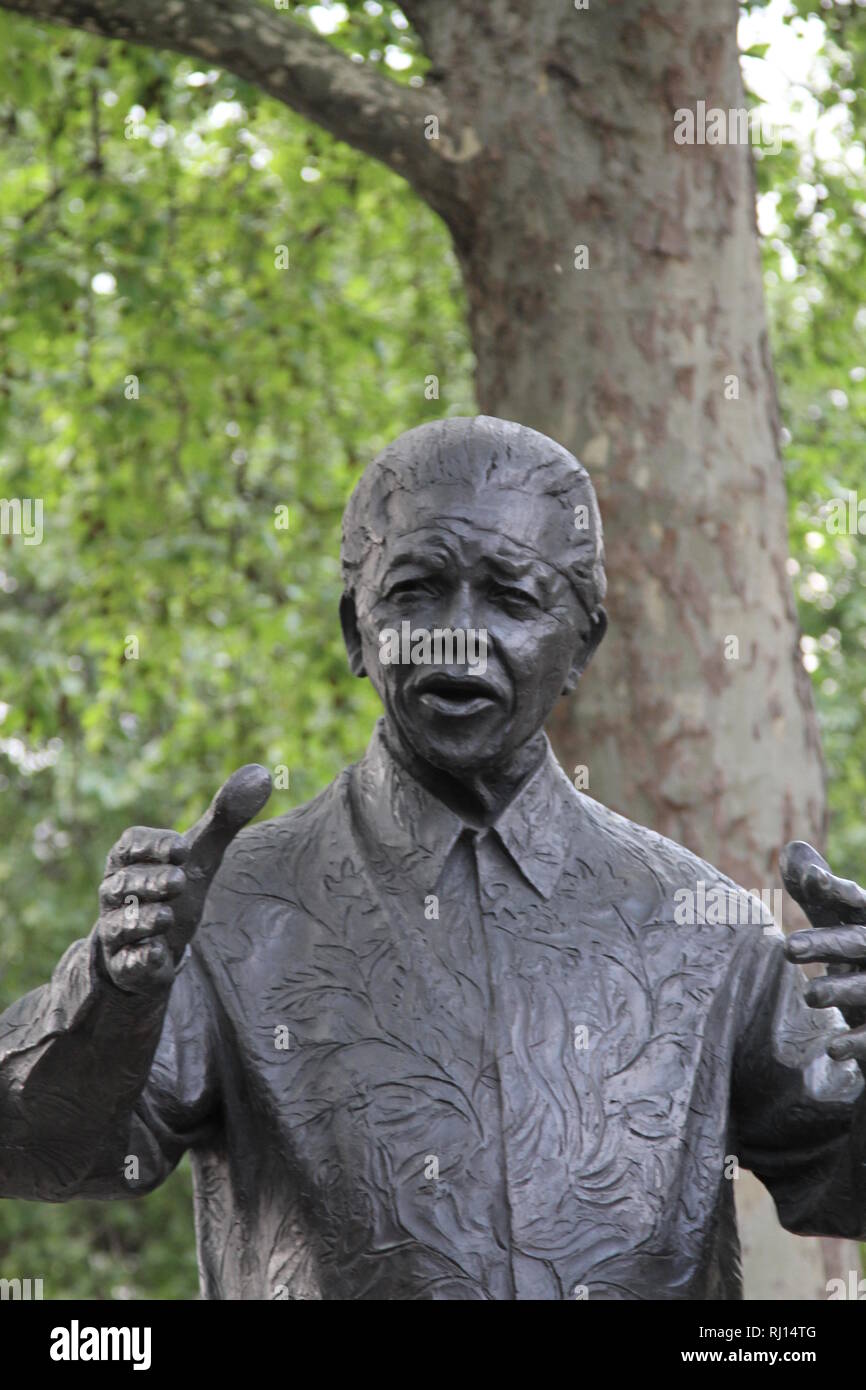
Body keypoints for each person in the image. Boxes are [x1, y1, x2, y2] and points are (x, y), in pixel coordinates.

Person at [2, 415, 866, 1300]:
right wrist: (115, 994)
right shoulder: (234, 911)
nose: (456, 636)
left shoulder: (706, 929)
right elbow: (38, 1153)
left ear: (581, 645)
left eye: (513, 598)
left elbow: (842, 1175)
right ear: (356, 629)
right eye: (415, 591)